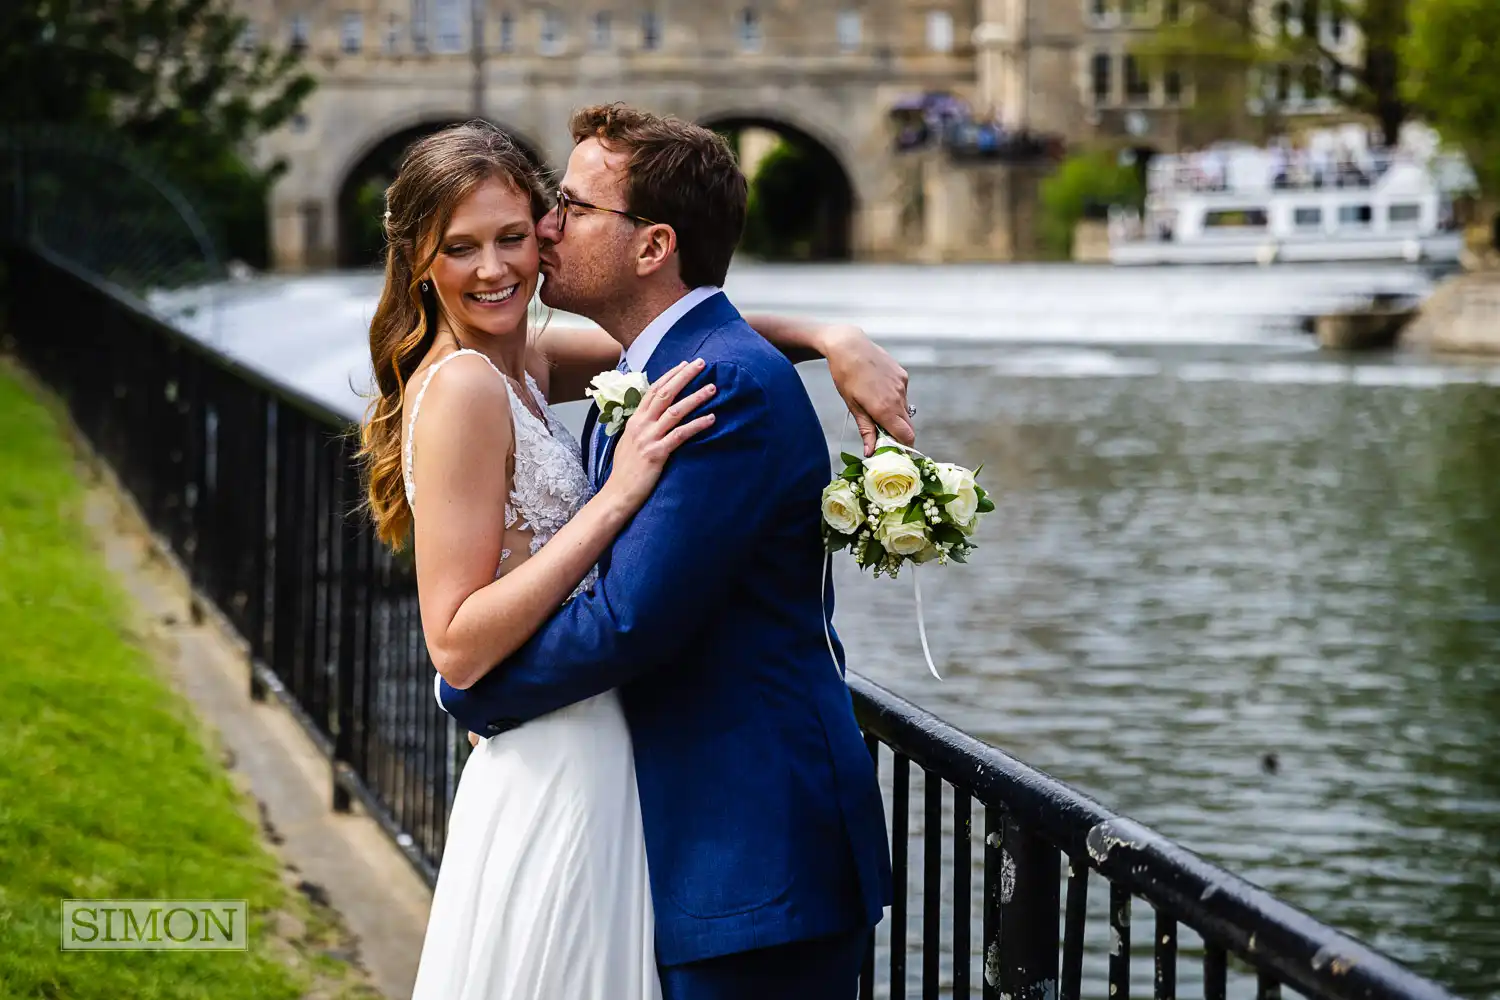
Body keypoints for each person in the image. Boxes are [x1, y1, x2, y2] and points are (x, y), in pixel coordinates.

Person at [358, 113, 905, 1000]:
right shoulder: (464, 382)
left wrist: (830, 336)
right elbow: (462, 643)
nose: (506, 261)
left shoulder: (528, 359)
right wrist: (613, 501)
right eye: (462, 247)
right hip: (567, 757)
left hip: (653, 788)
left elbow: (689, 329)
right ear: (419, 259)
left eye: (530, 225)